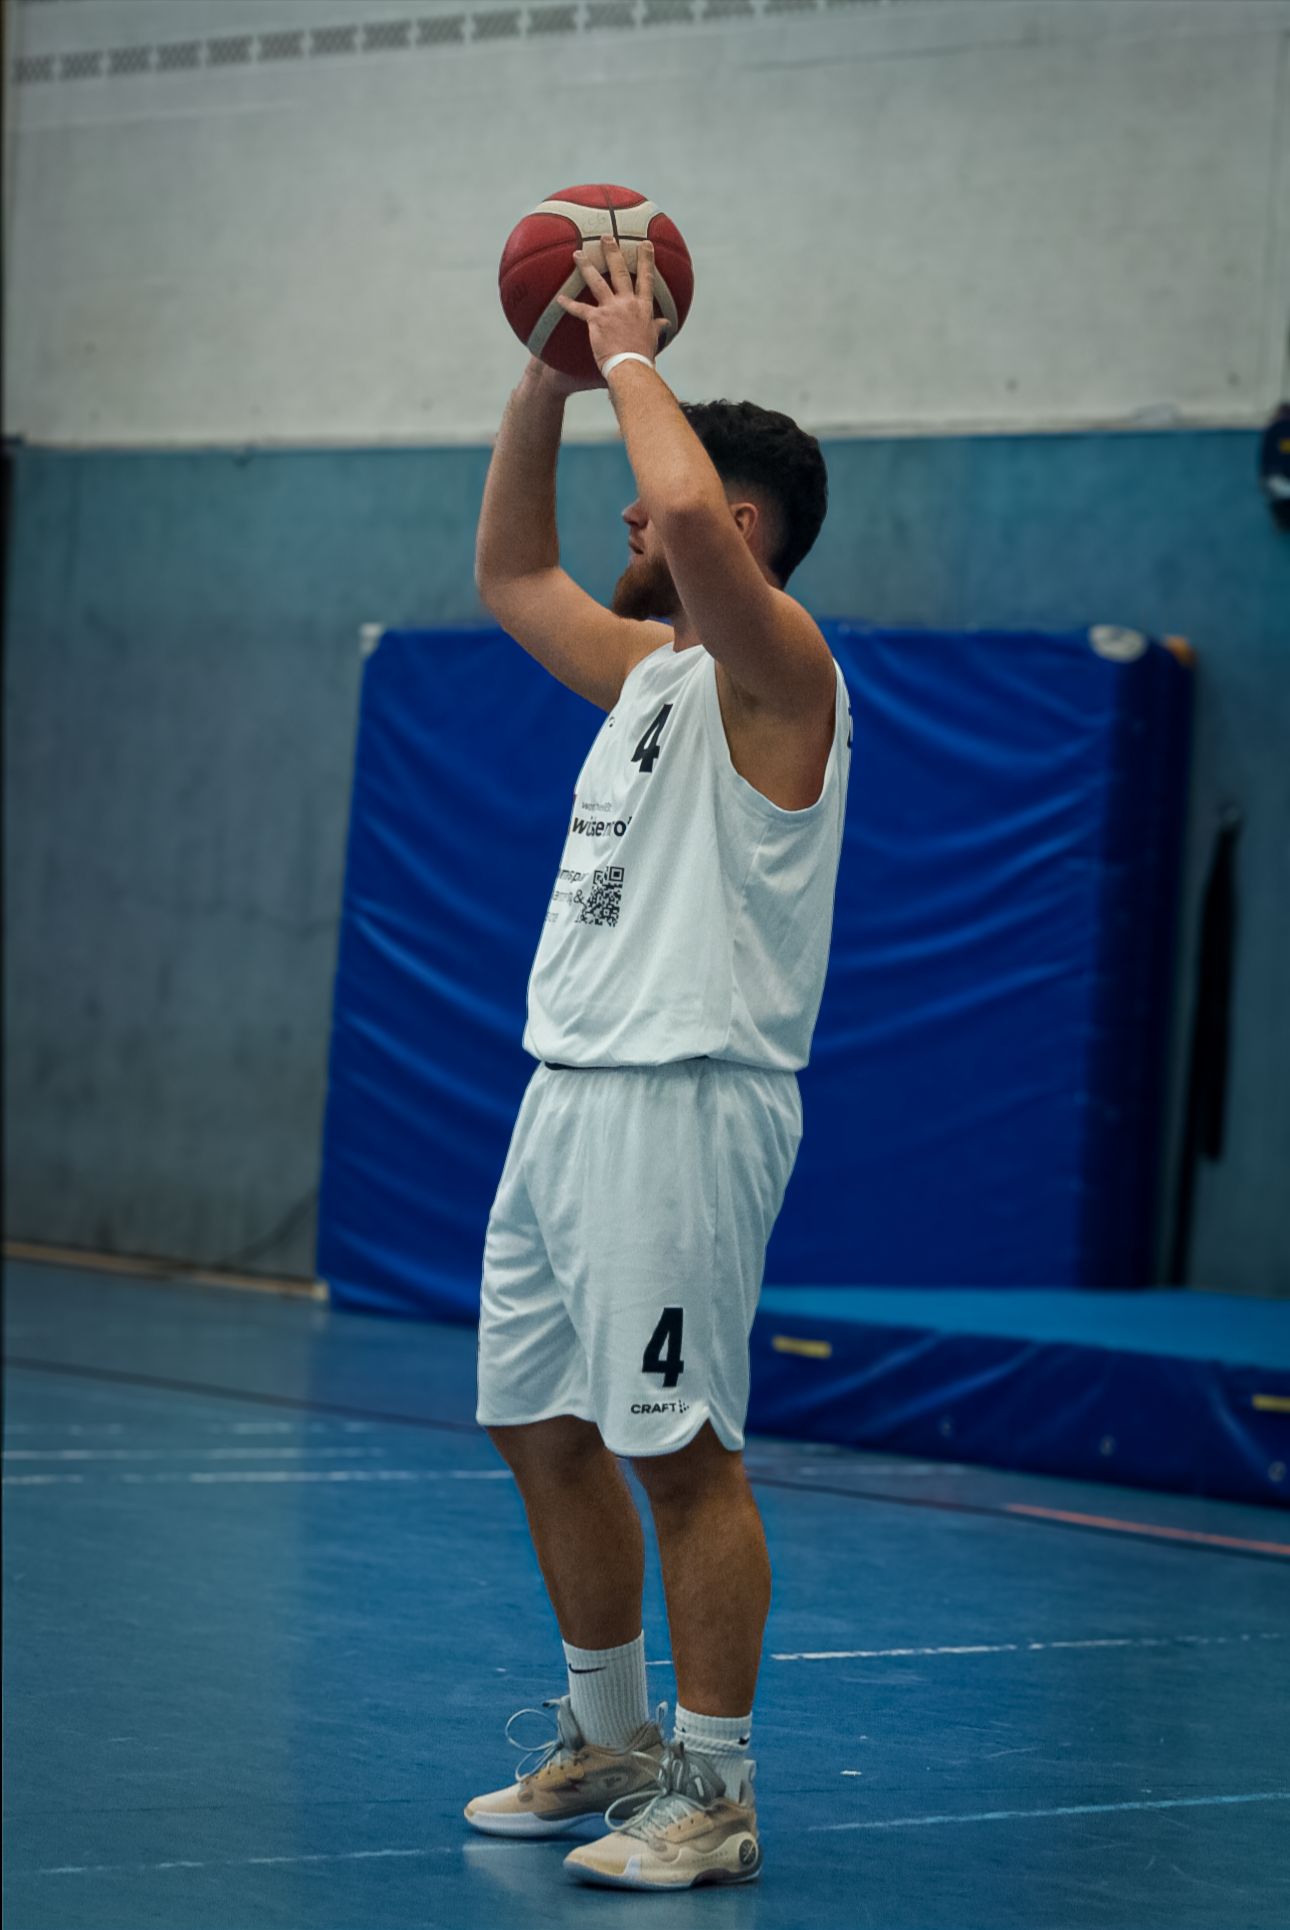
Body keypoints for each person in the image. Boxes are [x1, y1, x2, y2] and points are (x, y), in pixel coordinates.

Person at [465, 233, 852, 1891]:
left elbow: (679, 514)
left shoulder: (783, 674)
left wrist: (630, 349)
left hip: (687, 1100)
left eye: (660, 502)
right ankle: (613, 1735)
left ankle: (715, 1791)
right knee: (539, 1422)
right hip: (565, 1092)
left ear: (740, 527)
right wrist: (544, 373)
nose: (629, 518)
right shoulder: (647, 678)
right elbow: (509, 573)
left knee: (679, 1450)